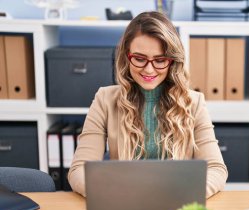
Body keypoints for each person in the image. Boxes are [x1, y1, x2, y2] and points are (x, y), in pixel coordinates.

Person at [68, 11, 228, 199]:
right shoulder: (105, 99)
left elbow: (216, 169)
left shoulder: (194, 103)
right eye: (140, 58)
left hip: (177, 204)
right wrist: (110, 194)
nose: (149, 69)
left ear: (172, 62)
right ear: (126, 57)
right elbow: (79, 170)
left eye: (160, 60)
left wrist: (186, 194)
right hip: (123, 203)